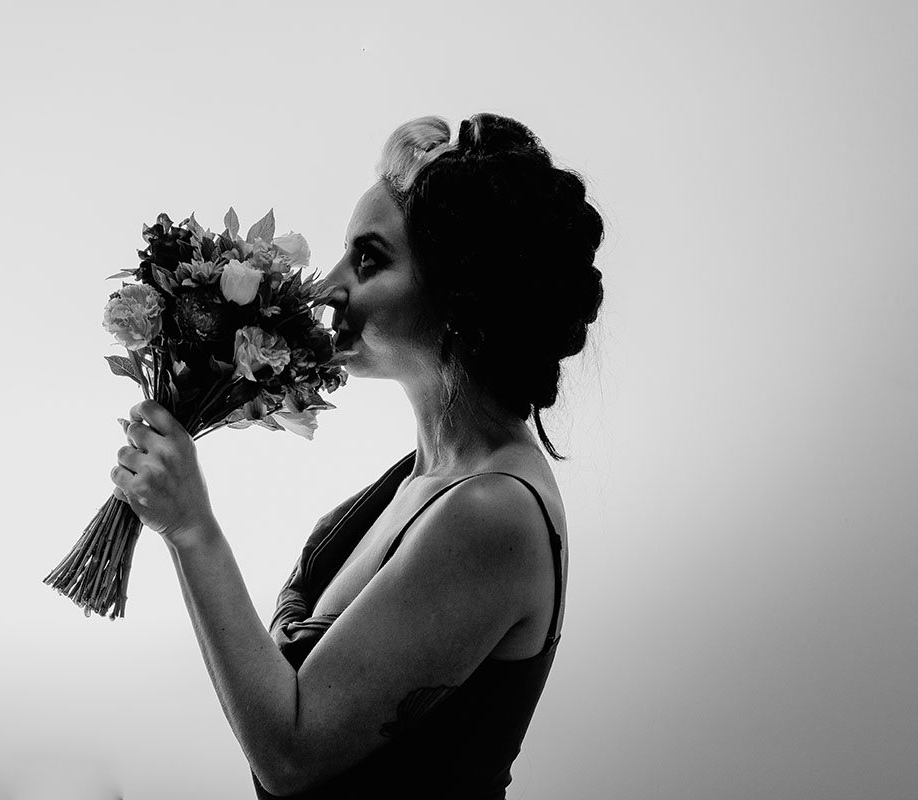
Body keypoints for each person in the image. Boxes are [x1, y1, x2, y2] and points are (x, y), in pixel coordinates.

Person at [109, 112, 605, 799]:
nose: (324, 287)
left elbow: (289, 754)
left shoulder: (493, 513)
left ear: (458, 293)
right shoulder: (426, 476)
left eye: (369, 260)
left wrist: (190, 527)